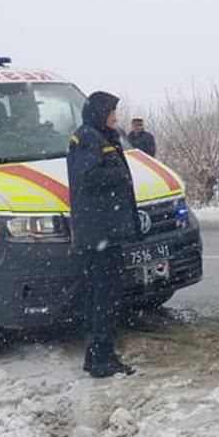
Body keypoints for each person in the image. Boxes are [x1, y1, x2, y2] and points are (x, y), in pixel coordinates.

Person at [68, 91, 140, 378]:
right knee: (103, 297)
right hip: (98, 234)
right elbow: (87, 178)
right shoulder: (87, 137)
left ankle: (102, 353)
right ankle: (100, 358)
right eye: (112, 112)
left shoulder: (101, 136)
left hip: (107, 232)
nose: (116, 117)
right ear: (99, 112)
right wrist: (119, 176)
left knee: (106, 296)